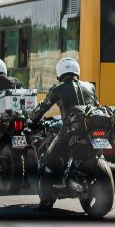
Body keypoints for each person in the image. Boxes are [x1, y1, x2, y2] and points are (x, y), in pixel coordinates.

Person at [29, 57, 97, 205]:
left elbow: (43, 107)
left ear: (60, 72)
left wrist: (32, 120)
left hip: (69, 131)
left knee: (48, 160)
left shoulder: (58, 89)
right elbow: (96, 106)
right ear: (77, 70)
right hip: (91, 130)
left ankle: (46, 202)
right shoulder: (90, 86)